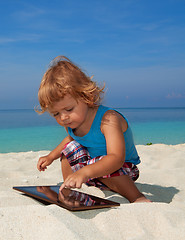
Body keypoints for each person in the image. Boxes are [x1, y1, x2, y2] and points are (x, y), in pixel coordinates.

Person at [36, 56, 150, 203]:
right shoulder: (72, 123)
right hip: (91, 171)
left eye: (69, 109)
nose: (63, 118)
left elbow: (116, 158)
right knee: (69, 149)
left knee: (103, 162)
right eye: (56, 114)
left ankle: (137, 197)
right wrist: (51, 157)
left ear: (86, 96)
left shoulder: (108, 119)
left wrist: (85, 172)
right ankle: (71, 188)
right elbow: (70, 140)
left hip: (122, 170)